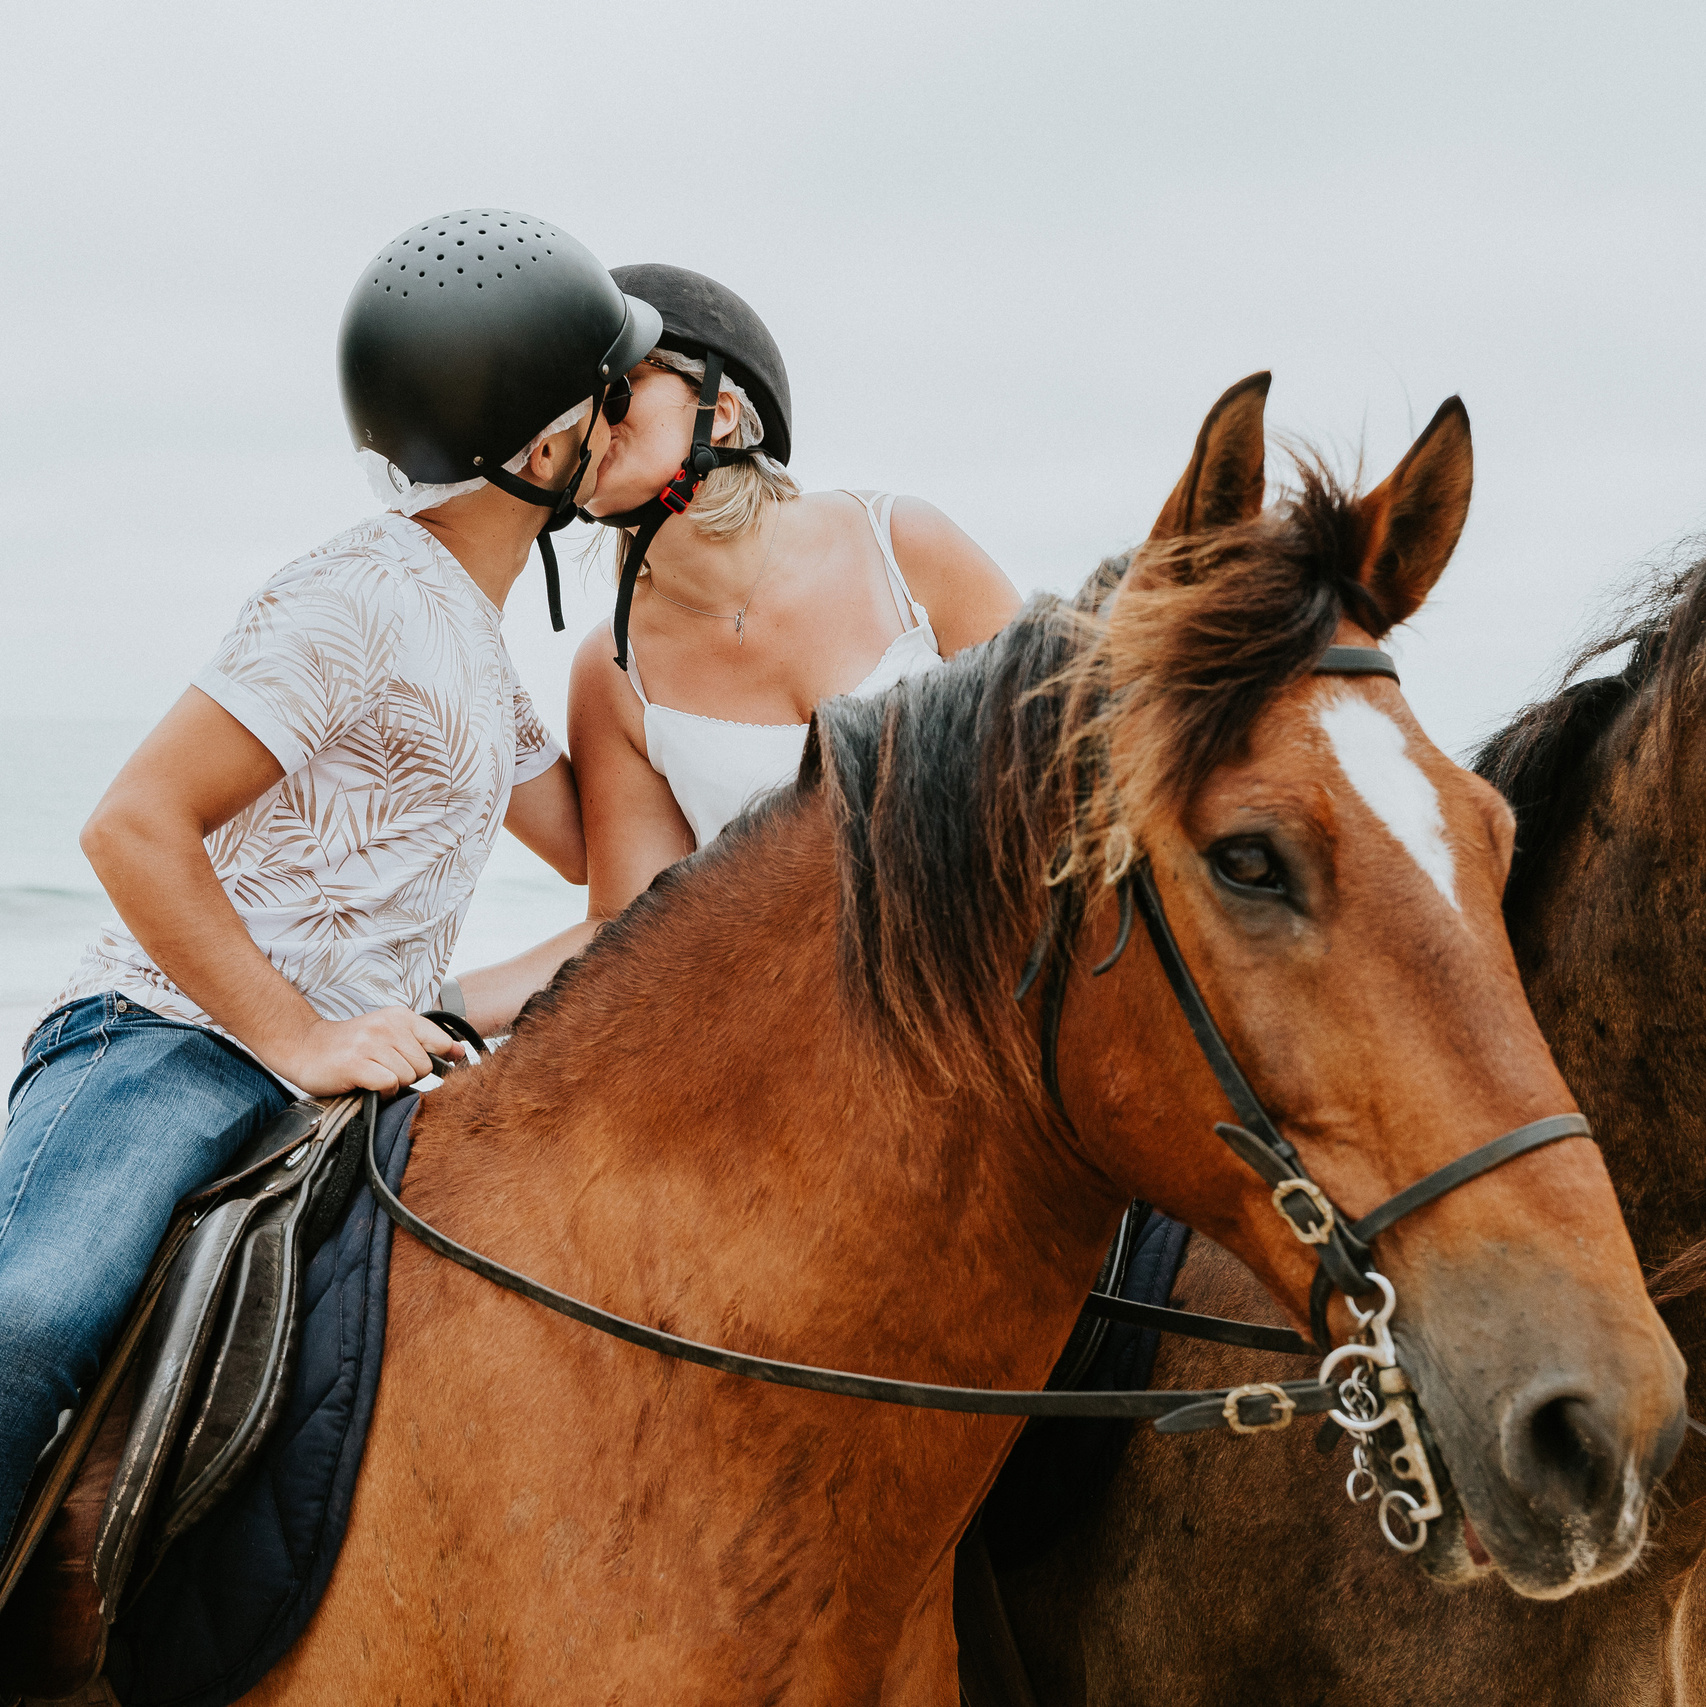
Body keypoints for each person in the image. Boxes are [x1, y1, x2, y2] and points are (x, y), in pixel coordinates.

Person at [0, 209, 660, 1545]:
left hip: (347, 1065)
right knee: (29, 1321)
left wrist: (688, 621)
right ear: (541, 449)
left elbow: (609, 854)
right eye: (605, 401)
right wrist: (297, 1031)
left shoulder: (470, 638)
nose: (614, 423)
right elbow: (133, 827)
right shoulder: (355, 597)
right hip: (166, 1039)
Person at [458, 265, 1021, 1028]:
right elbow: (626, 935)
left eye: (619, 389)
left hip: (1001, 994)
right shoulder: (616, 674)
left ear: (719, 412)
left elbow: (1057, 766)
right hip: (805, 1045)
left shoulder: (901, 547)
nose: (593, 423)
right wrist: (429, 1007)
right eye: (574, 409)